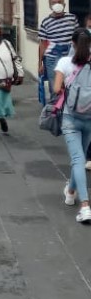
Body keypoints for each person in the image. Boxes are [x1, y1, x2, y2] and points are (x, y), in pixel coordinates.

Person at [53, 29, 91, 223]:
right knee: (81, 158)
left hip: (71, 117)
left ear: (73, 43)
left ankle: (85, 206)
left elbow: (56, 88)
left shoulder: (65, 62)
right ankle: (70, 192)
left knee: (77, 160)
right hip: (90, 118)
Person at [38, 0, 78, 97]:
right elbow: (43, 44)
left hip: (70, 56)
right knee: (55, 85)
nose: (57, 4)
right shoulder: (45, 22)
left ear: (64, 4)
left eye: (59, 2)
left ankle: (69, 105)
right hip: (52, 57)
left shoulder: (72, 18)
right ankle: (55, 108)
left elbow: (78, 38)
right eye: (54, 3)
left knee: (71, 81)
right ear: (50, 6)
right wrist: (40, 64)